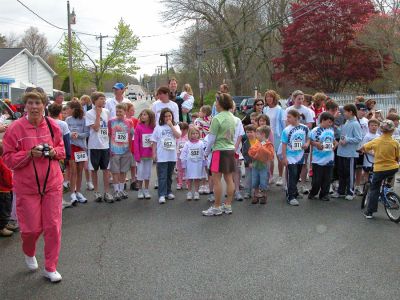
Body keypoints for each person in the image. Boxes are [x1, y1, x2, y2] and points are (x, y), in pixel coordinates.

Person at [2, 91, 65, 282]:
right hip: (27, 187)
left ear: (44, 104)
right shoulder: (15, 128)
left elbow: (62, 150)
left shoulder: (53, 126)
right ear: (25, 106)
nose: (34, 106)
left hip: (52, 184)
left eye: (38, 102)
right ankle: (29, 252)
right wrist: (28, 154)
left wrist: (54, 152)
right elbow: (8, 158)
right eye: (30, 103)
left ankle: (50, 267)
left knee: (53, 226)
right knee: (30, 229)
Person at [203, 93, 236, 216]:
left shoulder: (217, 118)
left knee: (216, 180)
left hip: (219, 151)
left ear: (221, 104)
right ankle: (227, 205)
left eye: (216, 102)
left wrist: (206, 152)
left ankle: (216, 207)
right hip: (230, 150)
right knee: (229, 179)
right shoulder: (232, 117)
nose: (215, 105)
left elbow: (211, 139)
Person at [361, 120, 400, 219]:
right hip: (393, 168)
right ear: (392, 130)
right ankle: (389, 194)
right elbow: (398, 156)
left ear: (381, 129)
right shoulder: (395, 143)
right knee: (388, 181)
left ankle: (369, 212)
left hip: (380, 169)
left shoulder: (376, 141)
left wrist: (362, 150)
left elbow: (364, 147)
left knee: (375, 189)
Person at [85, 92, 114, 203]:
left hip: (105, 145)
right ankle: (96, 192)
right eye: (101, 99)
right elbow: (96, 128)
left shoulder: (107, 112)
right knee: (94, 170)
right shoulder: (89, 113)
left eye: (104, 99)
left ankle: (107, 192)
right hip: (94, 146)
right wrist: (97, 115)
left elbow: (108, 128)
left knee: (106, 170)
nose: (104, 101)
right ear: (95, 100)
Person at [332, 104, 363, 200]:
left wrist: (347, 140)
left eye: (345, 112)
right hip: (341, 152)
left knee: (349, 173)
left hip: (350, 154)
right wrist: (336, 128)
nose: (343, 114)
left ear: (351, 112)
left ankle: (350, 192)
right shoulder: (347, 122)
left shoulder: (355, 123)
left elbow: (358, 138)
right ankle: (341, 191)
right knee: (341, 173)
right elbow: (342, 133)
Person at [151, 108, 182, 204]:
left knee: (169, 176)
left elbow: (178, 136)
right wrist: (154, 153)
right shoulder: (158, 127)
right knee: (162, 176)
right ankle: (161, 194)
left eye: (169, 116)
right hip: (162, 155)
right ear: (162, 118)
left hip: (171, 155)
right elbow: (154, 141)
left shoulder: (175, 126)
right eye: (166, 116)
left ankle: (168, 192)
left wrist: (171, 126)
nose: (168, 118)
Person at [281, 109, 310, 206]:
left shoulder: (305, 128)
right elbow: (284, 144)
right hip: (290, 156)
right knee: (292, 175)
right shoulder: (286, 130)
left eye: (289, 117)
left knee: (297, 175)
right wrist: (284, 158)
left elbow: (308, 138)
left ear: (296, 117)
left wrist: (306, 144)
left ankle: (295, 191)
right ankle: (290, 196)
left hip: (300, 156)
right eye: (287, 117)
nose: (287, 119)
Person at [108, 103, 134, 201]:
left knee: (123, 171)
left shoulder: (129, 122)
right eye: (117, 111)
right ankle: (116, 190)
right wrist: (109, 149)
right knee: (115, 171)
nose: (118, 113)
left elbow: (132, 134)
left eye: (120, 111)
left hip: (126, 150)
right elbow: (109, 135)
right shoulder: (111, 121)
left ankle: (121, 189)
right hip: (114, 150)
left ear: (125, 112)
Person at [65, 100, 90, 205]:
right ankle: (72, 193)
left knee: (80, 171)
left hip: (81, 147)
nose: (67, 110)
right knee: (73, 171)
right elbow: (66, 132)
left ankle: (79, 192)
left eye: (68, 108)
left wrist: (78, 135)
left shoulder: (84, 119)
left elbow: (87, 133)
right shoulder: (67, 119)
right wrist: (71, 134)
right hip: (71, 146)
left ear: (74, 109)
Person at [308, 112, 336, 201]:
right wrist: (316, 144)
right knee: (317, 179)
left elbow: (334, 141)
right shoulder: (315, 130)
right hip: (318, 159)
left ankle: (324, 194)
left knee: (327, 178)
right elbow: (310, 141)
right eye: (329, 122)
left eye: (331, 122)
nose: (330, 124)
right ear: (323, 120)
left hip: (329, 158)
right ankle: (313, 192)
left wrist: (335, 145)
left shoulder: (331, 130)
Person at [263, 90, 285, 186]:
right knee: (269, 158)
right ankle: (270, 176)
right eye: (267, 97)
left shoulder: (279, 109)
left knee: (279, 157)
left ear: (274, 98)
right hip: (267, 136)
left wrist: (284, 137)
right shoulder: (265, 109)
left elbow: (283, 124)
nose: (269, 99)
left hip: (277, 136)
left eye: (271, 97)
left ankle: (280, 177)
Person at [48, 103, 71, 193]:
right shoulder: (63, 124)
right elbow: (66, 139)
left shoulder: (45, 122)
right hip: (60, 152)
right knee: (60, 173)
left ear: (49, 112)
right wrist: (68, 154)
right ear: (60, 113)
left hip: (49, 151)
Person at [248, 125, 275, 204]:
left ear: (263, 134)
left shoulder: (269, 144)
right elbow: (251, 151)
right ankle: (256, 195)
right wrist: (255, 154)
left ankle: (264, 195)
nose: (256, 135)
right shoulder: (257, 143)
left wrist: (262, 149)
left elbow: (270, 155)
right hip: (255, 166)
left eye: (257, 134)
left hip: (264, 166)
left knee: (263, 182)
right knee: (255, 181)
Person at [134, 109, 156, 199]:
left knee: (147, 173)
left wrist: (154, 149)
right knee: (140, 173)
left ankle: (146, 189)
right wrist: (137, 155)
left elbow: (155, 140)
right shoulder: (138, 127)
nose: (143, 116)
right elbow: (136, 142)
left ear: (150, 117)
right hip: (141, 155)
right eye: (142, 114)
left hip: (149, 155)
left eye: (145, 115)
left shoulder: (153, 128)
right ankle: (140, 190)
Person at [180, 126, 206, 200]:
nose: (194, 135)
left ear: (199, 134)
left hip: (198, 164)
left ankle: (196, 192)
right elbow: (184, 153)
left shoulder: (201, 143)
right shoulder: (187, 144)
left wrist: (204, 162)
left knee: (197, 179)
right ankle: (189, 192)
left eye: (196, 133)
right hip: (190, 165)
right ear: (189, 135)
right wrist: (184, 163)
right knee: (190, 179)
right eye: (193, 133)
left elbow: (203, 153)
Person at [354, 103, 369, 195]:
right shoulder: (352, 120)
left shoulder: (366, 121)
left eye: (365, 110)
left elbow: (367, 135)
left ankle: (357, 186)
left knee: (359, 168)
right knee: (351, 167)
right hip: (352, 147)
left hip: (362, 147)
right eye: (361, 110)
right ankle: (349, 185)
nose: (363, 112)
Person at [0, 139, 13, 237]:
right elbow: (7, 176)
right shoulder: (2, 163)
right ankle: (2, 227)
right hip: (4, 190)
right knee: (4, 209)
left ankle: (5, 224)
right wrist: (11, 185)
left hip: (5, 189)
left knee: (4, 209)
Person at [126, 102, 139, 191]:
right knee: (123, 164)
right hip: (123, 145)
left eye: (134, 110)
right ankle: (122, 181)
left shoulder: (135, 120)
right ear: (126, 111)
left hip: (133, 144)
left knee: (133, 164)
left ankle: (133, 180)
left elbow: (137, 132)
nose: (134, 111)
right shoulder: (121, 120)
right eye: (131, 110)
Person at [242, 124, 257, 199]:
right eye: (247, 132)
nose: (249, 134)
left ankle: (256, 192)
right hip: (249, 164)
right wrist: (249, 162)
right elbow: (244, 153)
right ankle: (248, 192)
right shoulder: (245, 143)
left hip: (258, 163)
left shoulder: (259, 141)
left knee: (257, 177)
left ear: (255, 132)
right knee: (248, 178)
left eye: (251, 132)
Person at [176, 122, 189, 190]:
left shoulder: (188, 137)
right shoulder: (177, 137)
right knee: (179, 170)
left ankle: (187, 183)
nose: (183, 131)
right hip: (178, 156)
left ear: (187, 130)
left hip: (187, 157)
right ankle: (179, 183)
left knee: (187, 170)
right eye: (181, 129)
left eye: (184, 129)